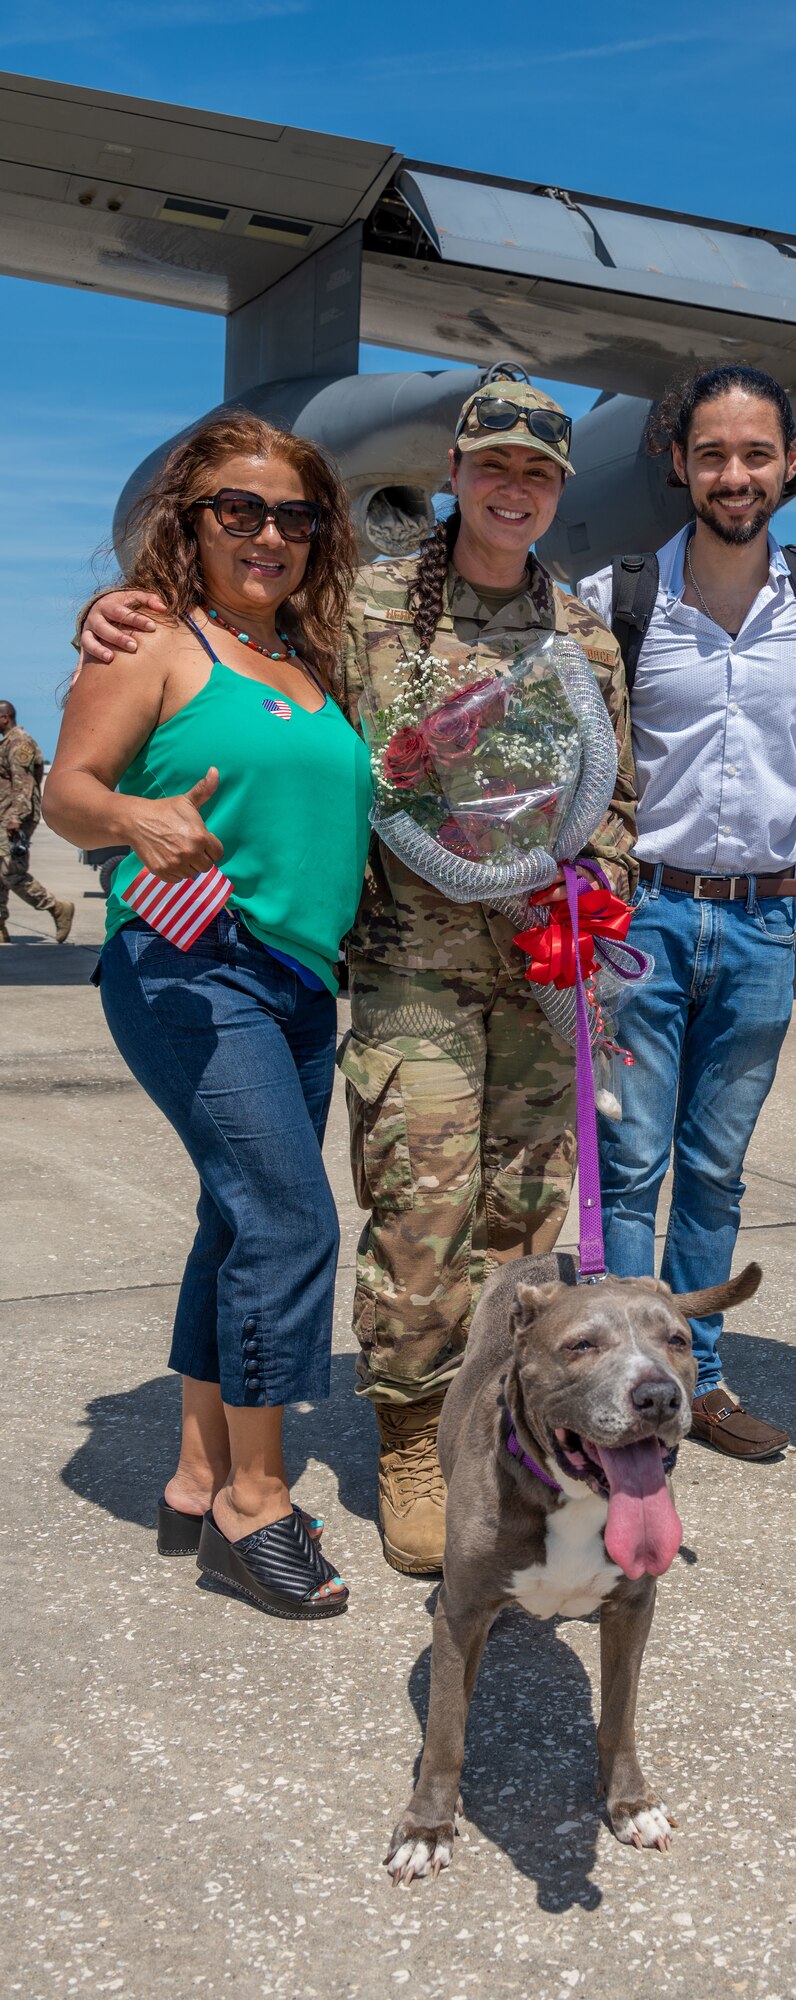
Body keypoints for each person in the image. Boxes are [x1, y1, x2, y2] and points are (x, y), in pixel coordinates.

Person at [76, 369, 636, 1580]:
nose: (512, 488)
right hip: (407, 973)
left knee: (524, 1219)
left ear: (557, 491)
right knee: (419, 1218)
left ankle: (503, 1425)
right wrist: (118, 611)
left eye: (537, 472)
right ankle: (410, 1442)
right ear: (453, 474)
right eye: (491, 465)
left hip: (540, 974)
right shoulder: (361, 606)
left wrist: (594, 900)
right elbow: (226, 633)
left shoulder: (582, 631)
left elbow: (611, 800)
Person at [46, 412, 369, 1618]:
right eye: (237, 508)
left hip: (295, 980)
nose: (267, 532)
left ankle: (192, 1475)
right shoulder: (154, 641)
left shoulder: (311, 656)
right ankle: (256, 1500)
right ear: (191, 521)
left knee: (236, 1222)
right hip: (190, 965)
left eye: (294, 514)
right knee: (288, 1223)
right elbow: (75, 791)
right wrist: (134, 820)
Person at [579, 364, 796, 1461]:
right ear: (678, 464)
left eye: (756, 453)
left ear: (789, 462)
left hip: (758, 927)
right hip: (641, 917)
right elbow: (579, 749)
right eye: (712, 454)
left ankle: (699, 1381)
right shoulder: (619, 599)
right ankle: (618, 1381)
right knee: (630, 1165)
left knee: (712, 1168)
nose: (734, 474)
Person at [0, 702, 74, 944]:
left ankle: (56, 907)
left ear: (4, 718)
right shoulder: (7, 742)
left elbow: (24, 782)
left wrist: (15, 819)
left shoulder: (18, 742)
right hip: (6, 816)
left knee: (11, 872)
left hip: (14, 818)